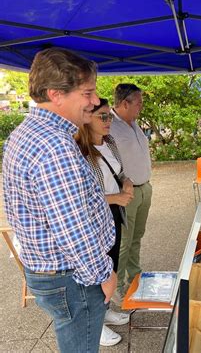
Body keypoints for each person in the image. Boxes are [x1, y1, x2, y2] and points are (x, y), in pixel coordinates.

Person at [2, 47, 116, 352]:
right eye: (88, 92)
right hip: (73, 277)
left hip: (54, 272)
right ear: (56, 94)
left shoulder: (25, 133)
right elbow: (73, 227)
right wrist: (104, 274)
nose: (94, 101)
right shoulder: (55, 146)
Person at [75, 98, 134, 346]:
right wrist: (116, 197)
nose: (109, 121)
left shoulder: (109, 142)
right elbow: (82, 197)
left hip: (114, 212)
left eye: (109, 115)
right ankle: (95, 324)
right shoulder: (80, 151)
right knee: (98, 269)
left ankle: (106, 308)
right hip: (95, 217)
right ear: (87, 119)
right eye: (103, 116)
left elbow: (119, 172)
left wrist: (127, 183)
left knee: (112, 262)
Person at [109, 84, 152, 302]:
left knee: (137, 237)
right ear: (124, 103)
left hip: (144, 188)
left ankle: (135, 275)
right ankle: (117, 287)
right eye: (138, 103)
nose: (141, 107)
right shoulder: (110, 127)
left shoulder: (133, 124)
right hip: (126, 194)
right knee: (123, 242)